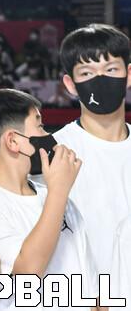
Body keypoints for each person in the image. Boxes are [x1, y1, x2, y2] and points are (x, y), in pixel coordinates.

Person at [0, 89, 99, 310]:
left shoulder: (63, 201)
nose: (48, 136)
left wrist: (58, 193)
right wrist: (58, 191)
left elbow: (93, 294)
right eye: (39, 126)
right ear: (13, 141)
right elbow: (27, 273)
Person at [41, 24, 131, 274]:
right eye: (87, 73)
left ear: (129, 75)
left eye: (111, 69)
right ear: (70, 84)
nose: (100, 80)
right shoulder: (54, 152)